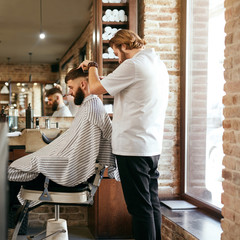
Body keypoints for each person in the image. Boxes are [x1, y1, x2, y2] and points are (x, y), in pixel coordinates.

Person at [79, 29, 169, 240]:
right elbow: (121, 85)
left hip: (133, 147)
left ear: (125, 46)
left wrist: (91, 66)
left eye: (116, 52)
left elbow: (94, 88)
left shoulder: (133, 65)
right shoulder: (156, 64)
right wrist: (102, 78)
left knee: (139, 209)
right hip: (151, 146)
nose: (117, 59)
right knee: (151, 203)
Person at [7, 68, 119, 236]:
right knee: (11, 174)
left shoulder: (92, 107)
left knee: (9, 176)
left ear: (83, 84)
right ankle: (7, 225)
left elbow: (108, 137)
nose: (70, 93)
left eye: (71, 87)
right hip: (73, 173)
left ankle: (4, 228)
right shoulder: (91, 106)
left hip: (69, 176)